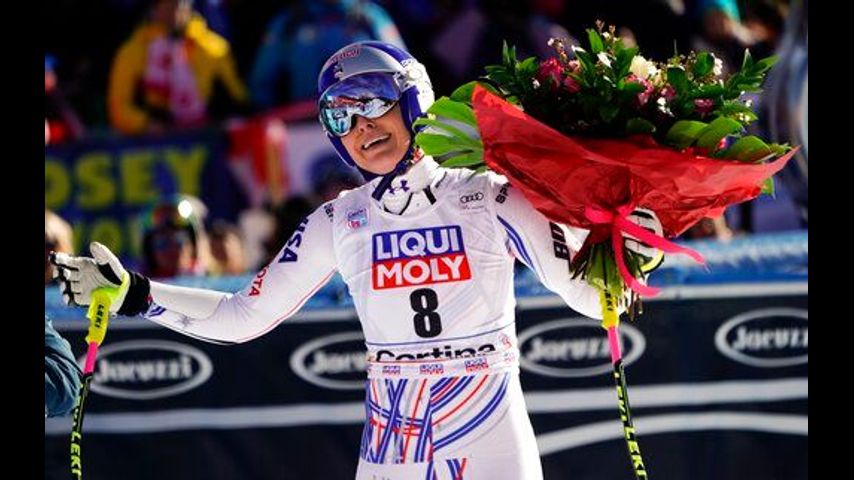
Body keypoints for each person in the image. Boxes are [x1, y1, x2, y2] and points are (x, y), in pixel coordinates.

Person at [52, 41, 661, 479]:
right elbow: (243, 316)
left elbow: (593, 300)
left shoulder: (491, 195)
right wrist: (135, 294)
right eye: (338, 116)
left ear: (413, 100)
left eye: (370, 102)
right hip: (394, 445)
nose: (359, 125)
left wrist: (632, 253)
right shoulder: (340, 220)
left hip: (490, 435)